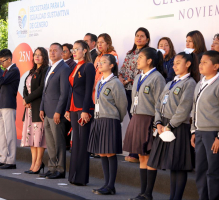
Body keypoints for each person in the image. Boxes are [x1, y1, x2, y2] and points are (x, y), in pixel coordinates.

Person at [147, 51, 200, 200]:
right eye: (173, 63)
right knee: (171, 164)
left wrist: (169, 126)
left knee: (179, 165)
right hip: (163, 126)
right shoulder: (170, 83)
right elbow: (158, 105)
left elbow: (183, 109)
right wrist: (158, 123)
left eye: (178, 63)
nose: (174, 66)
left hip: (177, 127)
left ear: (188, 64)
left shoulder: (189, 83)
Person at [123, 47, 166, 200]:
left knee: (149, 157)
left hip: (149, 120)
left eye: (140, 57)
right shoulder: (138, 77)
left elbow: (160, 103)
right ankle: (142, 192)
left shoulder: (157, 78)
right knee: (141, 156)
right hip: (137, 118)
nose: (137, 60)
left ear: (149, 61)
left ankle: (148, 193)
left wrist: (157, 122)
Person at [88, 54, 127, 195]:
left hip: (110, 120)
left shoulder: (115, 83)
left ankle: (111, 185)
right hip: (99, 119)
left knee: (110, 152)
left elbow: (122, 105)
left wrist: (116, 118)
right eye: (99, 62)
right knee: (102, 152)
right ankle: (106, 184)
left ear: (112, 65)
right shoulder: (99, 83)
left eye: (104, 62)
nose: (100, 64)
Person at [64, 40, 95, 185]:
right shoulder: (76, 66)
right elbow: (72, 89)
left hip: (83, 109)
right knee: (75, 143)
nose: (74, 51)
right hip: (73, 108)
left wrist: (85, 110)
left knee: (82, 144)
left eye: (77, 49)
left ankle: (81, 178)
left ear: (85, 50)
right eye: (73, 49)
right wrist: (68, 109)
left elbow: (89, 90)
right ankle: (73, 176)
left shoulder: (88, 66)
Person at [39, 43, 71, 179]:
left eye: (55, 50)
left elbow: (65, 93)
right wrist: (41, 108)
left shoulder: (64, 68)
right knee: (50, 142)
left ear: (61, 53)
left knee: (59, 142)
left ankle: (60, 169)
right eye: (50, 50)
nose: (52, 53)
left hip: (56, 112)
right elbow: (45, 91)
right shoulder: (50, 68)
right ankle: (52, 167)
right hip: (47, 111)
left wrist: (59, 111)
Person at [119, 27, 150, 163]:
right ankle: (133, 150)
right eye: (137, 35)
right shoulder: (130, 53)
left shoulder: (148, 53)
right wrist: (122, 79)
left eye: (142, 36)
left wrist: (129, 80)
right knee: (132, 121)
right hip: (127, 89)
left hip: (138, 90)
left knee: (137, 121)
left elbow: (143, 72)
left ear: (147, 39)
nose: (139, 38)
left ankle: (138, 152)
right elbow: (123, 70)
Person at [190, 50, 219, 200]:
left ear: (216, 66)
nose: (200, 65)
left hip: (213, 134)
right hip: (200, 132)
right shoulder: (200, 83)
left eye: (205, 62)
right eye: (200, 62)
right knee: (200, 170)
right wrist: (193, 131)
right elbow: (195, 108)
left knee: (213, 171)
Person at [0, 49, 20, 169]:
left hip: (8, 104)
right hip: (1, 105)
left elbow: (1, 82)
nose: (1, 64)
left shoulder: (14, 70)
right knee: (1, 134)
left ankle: (11, 160)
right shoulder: (5, 71)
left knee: (9, 133)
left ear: (9, 59)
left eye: (3, 61)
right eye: (0, 61)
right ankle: (3, 158)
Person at [22, 47, 49, 174]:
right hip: (29, 109)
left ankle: (39, 163)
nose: (37, 57)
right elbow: (25, 87)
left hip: (38, 107)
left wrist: (28, 99)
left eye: (40, 55)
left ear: (44, 57)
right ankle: (33, 163)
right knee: (31, 138)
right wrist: (25, 99)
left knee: (39, 138)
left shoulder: (45, 70)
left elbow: (41, 88)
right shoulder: (32, 71)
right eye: (35, 54)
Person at [93, 33, 119, 101]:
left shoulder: (113, 55)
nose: (99, 44)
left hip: (106, 87)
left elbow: (112, 70)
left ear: (108, 44)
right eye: (98, 42)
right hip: (95, 87)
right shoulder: (98, 57)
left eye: (102, 42)